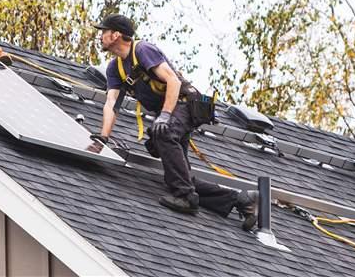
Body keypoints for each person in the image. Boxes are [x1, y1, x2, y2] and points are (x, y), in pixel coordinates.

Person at [90, 14, 258, 231]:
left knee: (164, 133)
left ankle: (186, 197)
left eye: (104, 31)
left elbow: (173, 80)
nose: (100, 36)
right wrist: (103, 137)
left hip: (185, 103)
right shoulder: (116, 68)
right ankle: (243, 201)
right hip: (171, 111)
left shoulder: (142, 50)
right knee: (178, 174)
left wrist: (165, 116)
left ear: (116, 34)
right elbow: (112, 102)